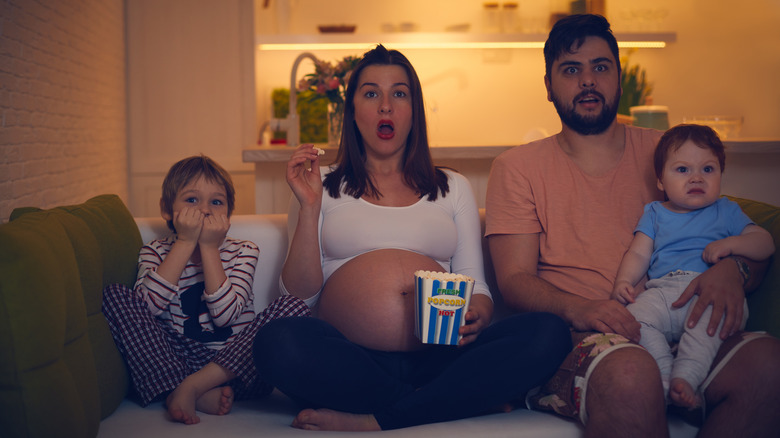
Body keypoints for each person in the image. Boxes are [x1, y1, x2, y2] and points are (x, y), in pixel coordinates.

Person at [485, 13, 780, 438]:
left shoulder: (671, 151)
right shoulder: (517, 168)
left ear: (619, 80)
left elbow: (745, 239)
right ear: (548, 85)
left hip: (689, 322)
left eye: (600, 67)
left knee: (769, 365)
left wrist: (731, 272)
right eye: (571, 69)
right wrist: (583, 308)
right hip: (582, 339)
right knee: (631, 373)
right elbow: (514, 279)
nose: (588, 81)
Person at [252, 44, 571, 432]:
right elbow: (298, 299)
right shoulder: (318, 185)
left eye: (399, 93)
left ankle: (379, 417)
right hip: (352, 358)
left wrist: (479, 314)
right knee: (276, 342)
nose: (385, 105)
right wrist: (309, 208)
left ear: (413, 110)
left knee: (548, 332)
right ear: (353, 110)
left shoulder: (452, 187)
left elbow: (478, 286)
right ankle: (444, 402)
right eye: (371, 93)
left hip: (443, 356)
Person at [102, 155, 311, 425]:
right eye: (191, 200)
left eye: (216, 202)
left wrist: (209, 248)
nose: (205, 209)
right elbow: (148, 307)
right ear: (167, 210)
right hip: (176, 360)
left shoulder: (244, 251)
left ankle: (190, 388)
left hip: (236, 369)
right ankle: (186, 388)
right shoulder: (154, 252)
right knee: (115, 295)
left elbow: (225, 316)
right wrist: (186, 242)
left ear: (228, 214)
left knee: (293, 306)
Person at [611, 124, 774, 409]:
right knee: (634, 319)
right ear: (660, 180)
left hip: (711, 292)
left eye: (708, 169)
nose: (696, 177)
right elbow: (638, 253)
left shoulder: (726, 211)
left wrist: (731, 245)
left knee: (711, 326)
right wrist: (623, 281)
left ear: (721, 175)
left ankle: (686, 377)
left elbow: (765, 242)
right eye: (682, 170)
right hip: (663, 292)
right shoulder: (655, 212)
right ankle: (662, 374)